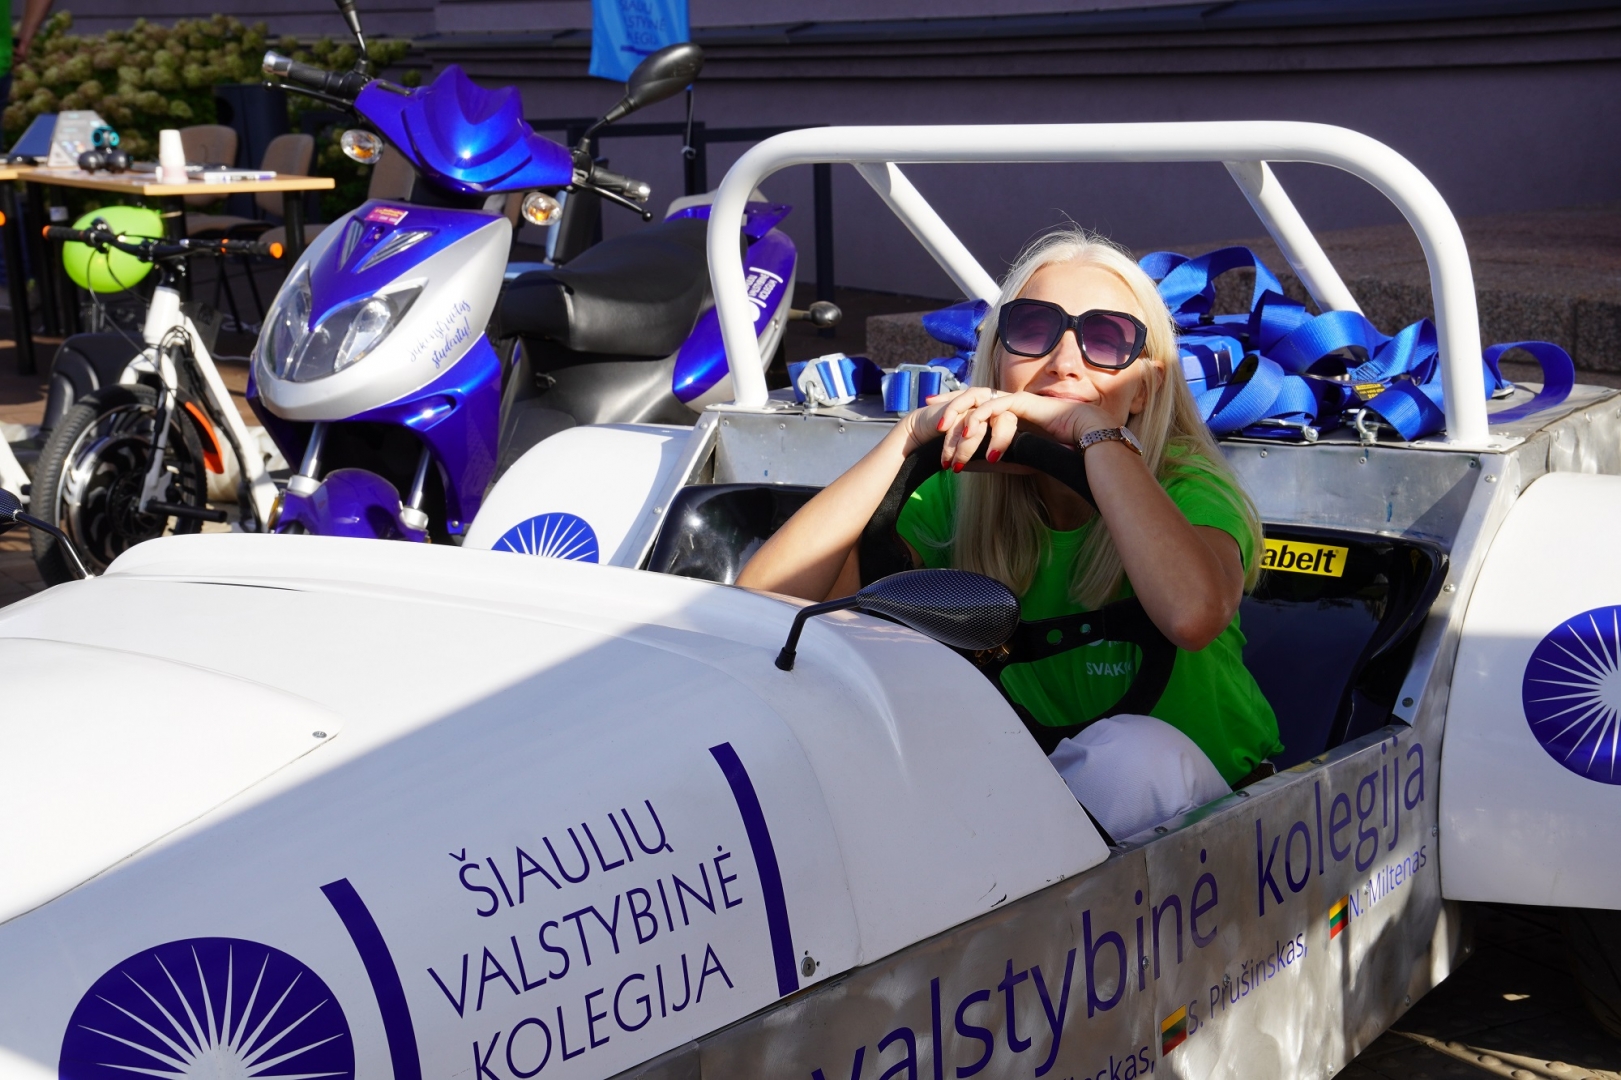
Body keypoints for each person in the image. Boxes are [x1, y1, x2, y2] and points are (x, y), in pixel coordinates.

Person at [737, 229, 1283, 840]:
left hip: (1215, 815)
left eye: (1106, 340)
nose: (1064, 362)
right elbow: (761, 609)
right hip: (1030, 795)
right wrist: (908, 437)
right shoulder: (957, 491)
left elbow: (1192, 614)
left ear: (1145, 388)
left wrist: (1094, 435)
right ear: (997, 360)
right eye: (1033, 329)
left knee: (1135, 761)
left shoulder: (1185, 485)